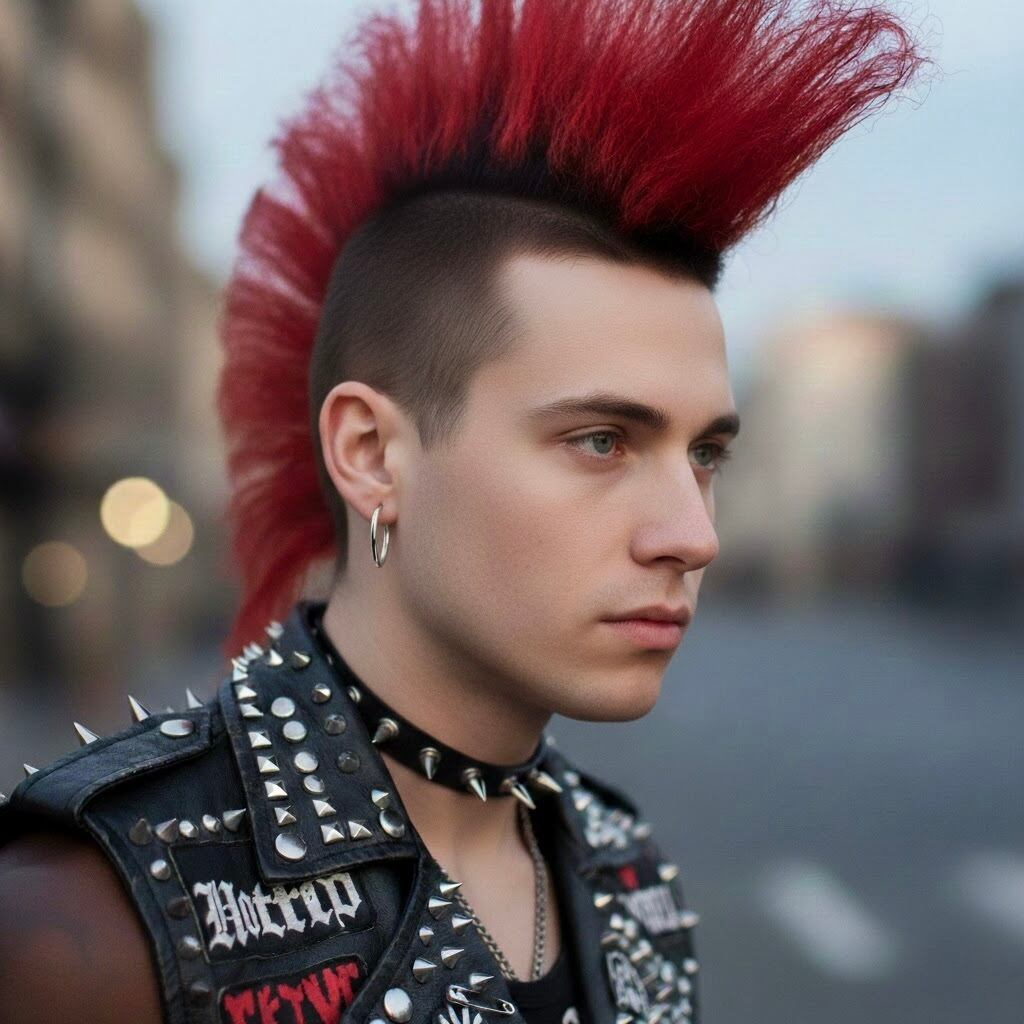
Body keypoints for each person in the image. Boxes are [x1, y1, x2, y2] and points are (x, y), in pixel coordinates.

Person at [0, 1, 931, 1022]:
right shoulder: (98, 921)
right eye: (601, 441)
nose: (693, 534)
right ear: (370, 455)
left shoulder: (626, 873)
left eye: (704, 452)